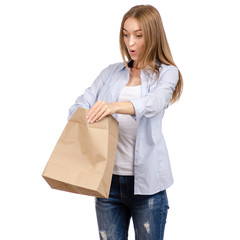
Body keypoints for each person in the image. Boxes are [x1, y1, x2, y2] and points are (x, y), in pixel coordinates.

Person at [68, 4, 183, 240]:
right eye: (125, 34)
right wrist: (86, 114)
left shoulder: (167, 73)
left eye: (138, 36)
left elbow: (155, 102)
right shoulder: (111, 73)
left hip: (148, 187)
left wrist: (113, 107)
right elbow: (79, 105)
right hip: (107, 184)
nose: (130, 43)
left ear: (153, 36)